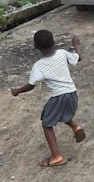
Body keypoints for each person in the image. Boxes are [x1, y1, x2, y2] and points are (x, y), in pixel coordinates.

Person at [10, 30, 85, 167]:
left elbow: (31, 85)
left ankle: (56, 157)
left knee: (47, 123)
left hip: (59, 97)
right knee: (57, 113)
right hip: (72, 93)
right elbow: (78, 58)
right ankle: (75, 126)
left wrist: (17, 91)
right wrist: (76, 44)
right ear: (53, 42)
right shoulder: (62, 53)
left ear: (35, 46)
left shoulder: (39, 65)